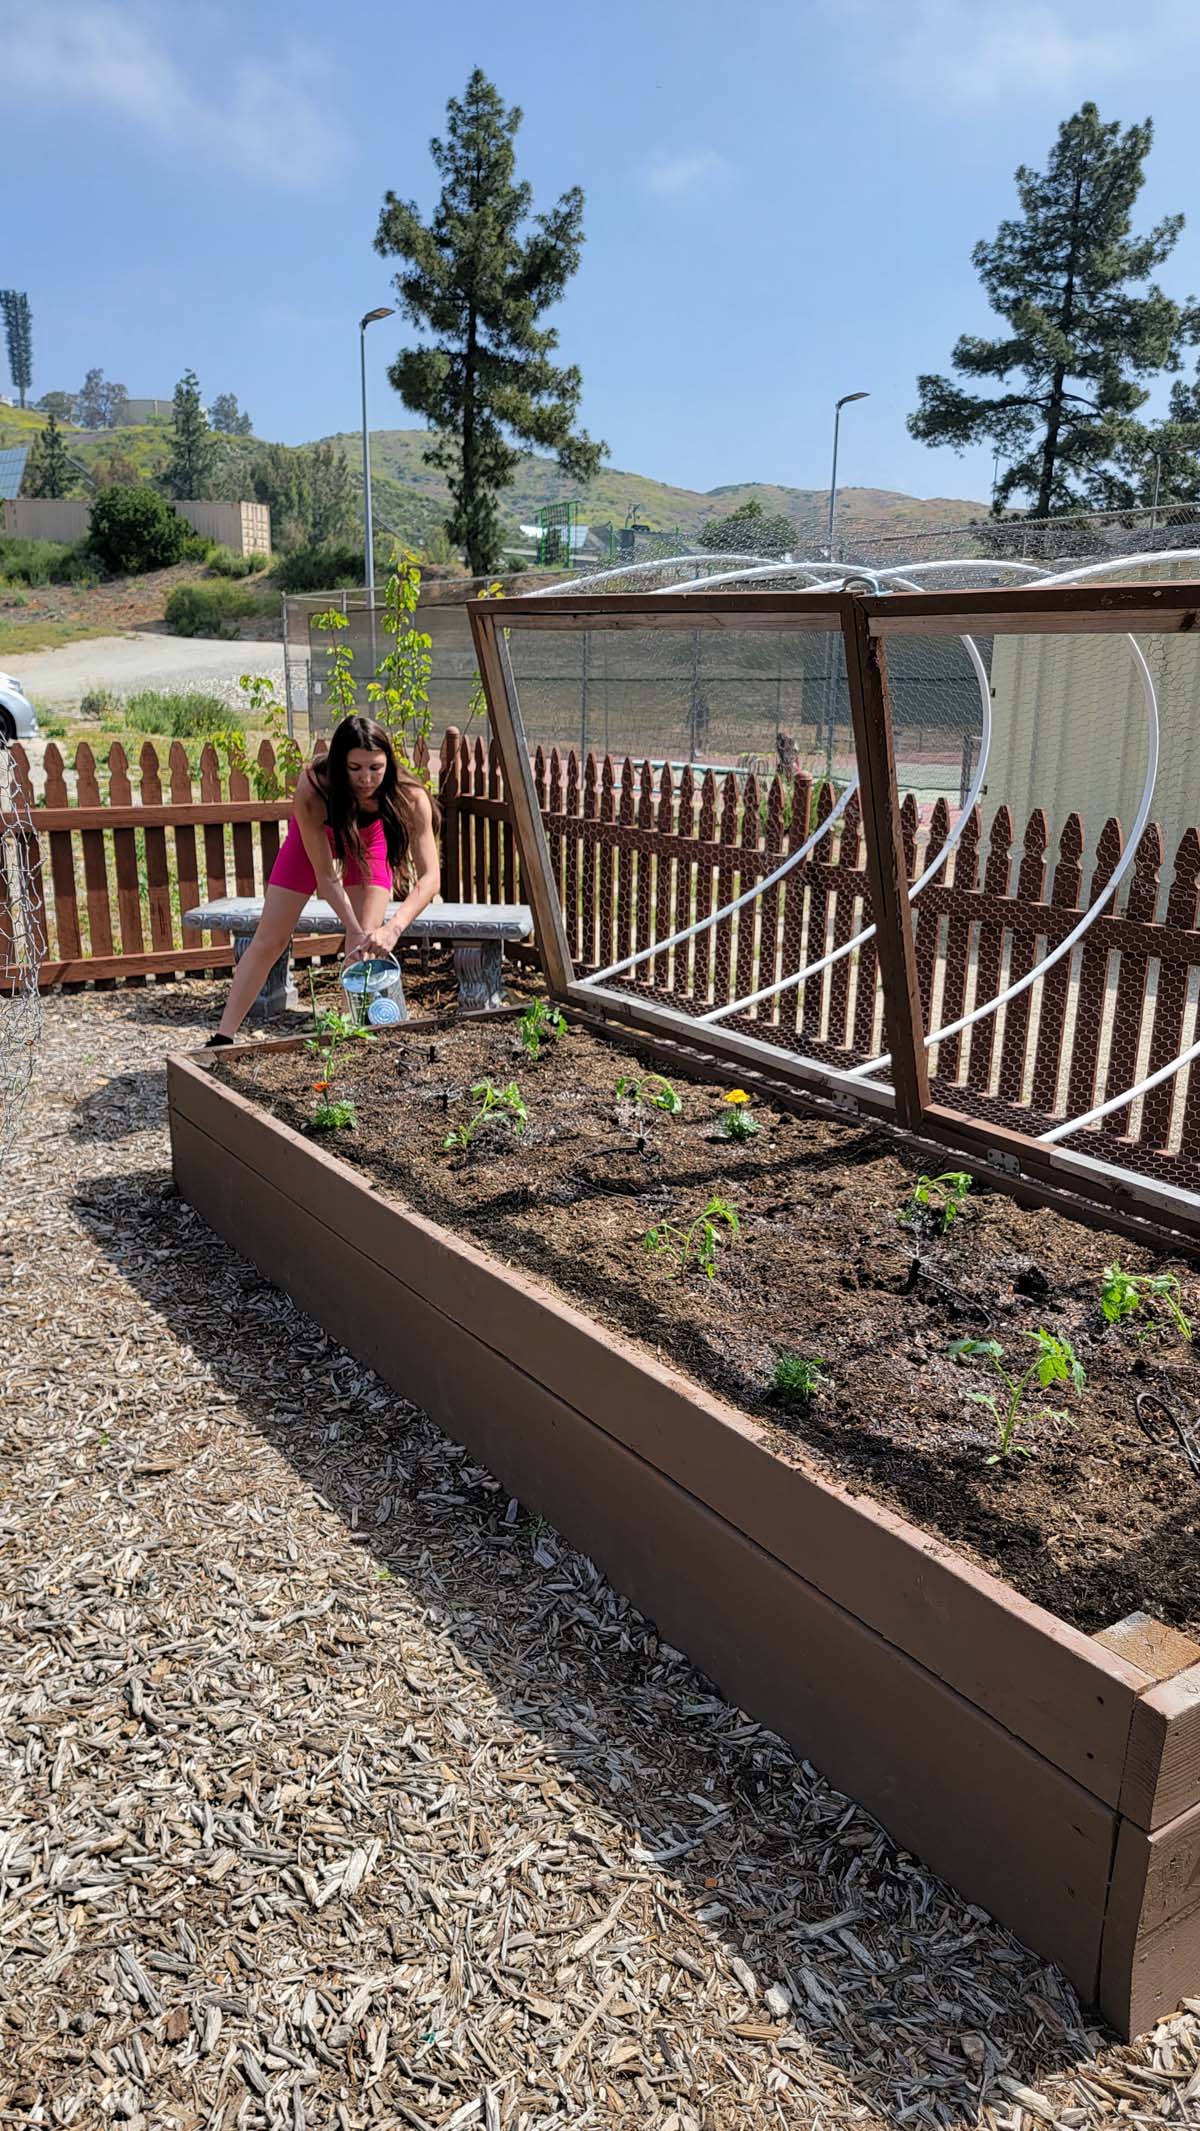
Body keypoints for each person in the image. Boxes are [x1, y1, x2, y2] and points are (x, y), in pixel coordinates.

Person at [206, 714, 441, 1045]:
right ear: (338, 764)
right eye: (355, 768)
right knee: (270, 937)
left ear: (388, 761)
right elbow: (325, 877)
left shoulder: (410, 796)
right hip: (313, 842)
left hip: (368, 841)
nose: (366, 778)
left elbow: (431, 879)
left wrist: (392, 928)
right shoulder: (314, 787)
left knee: (362, 947)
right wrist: (355, 927)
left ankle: (348, 1035)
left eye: (375, 767)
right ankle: (222, 1037)